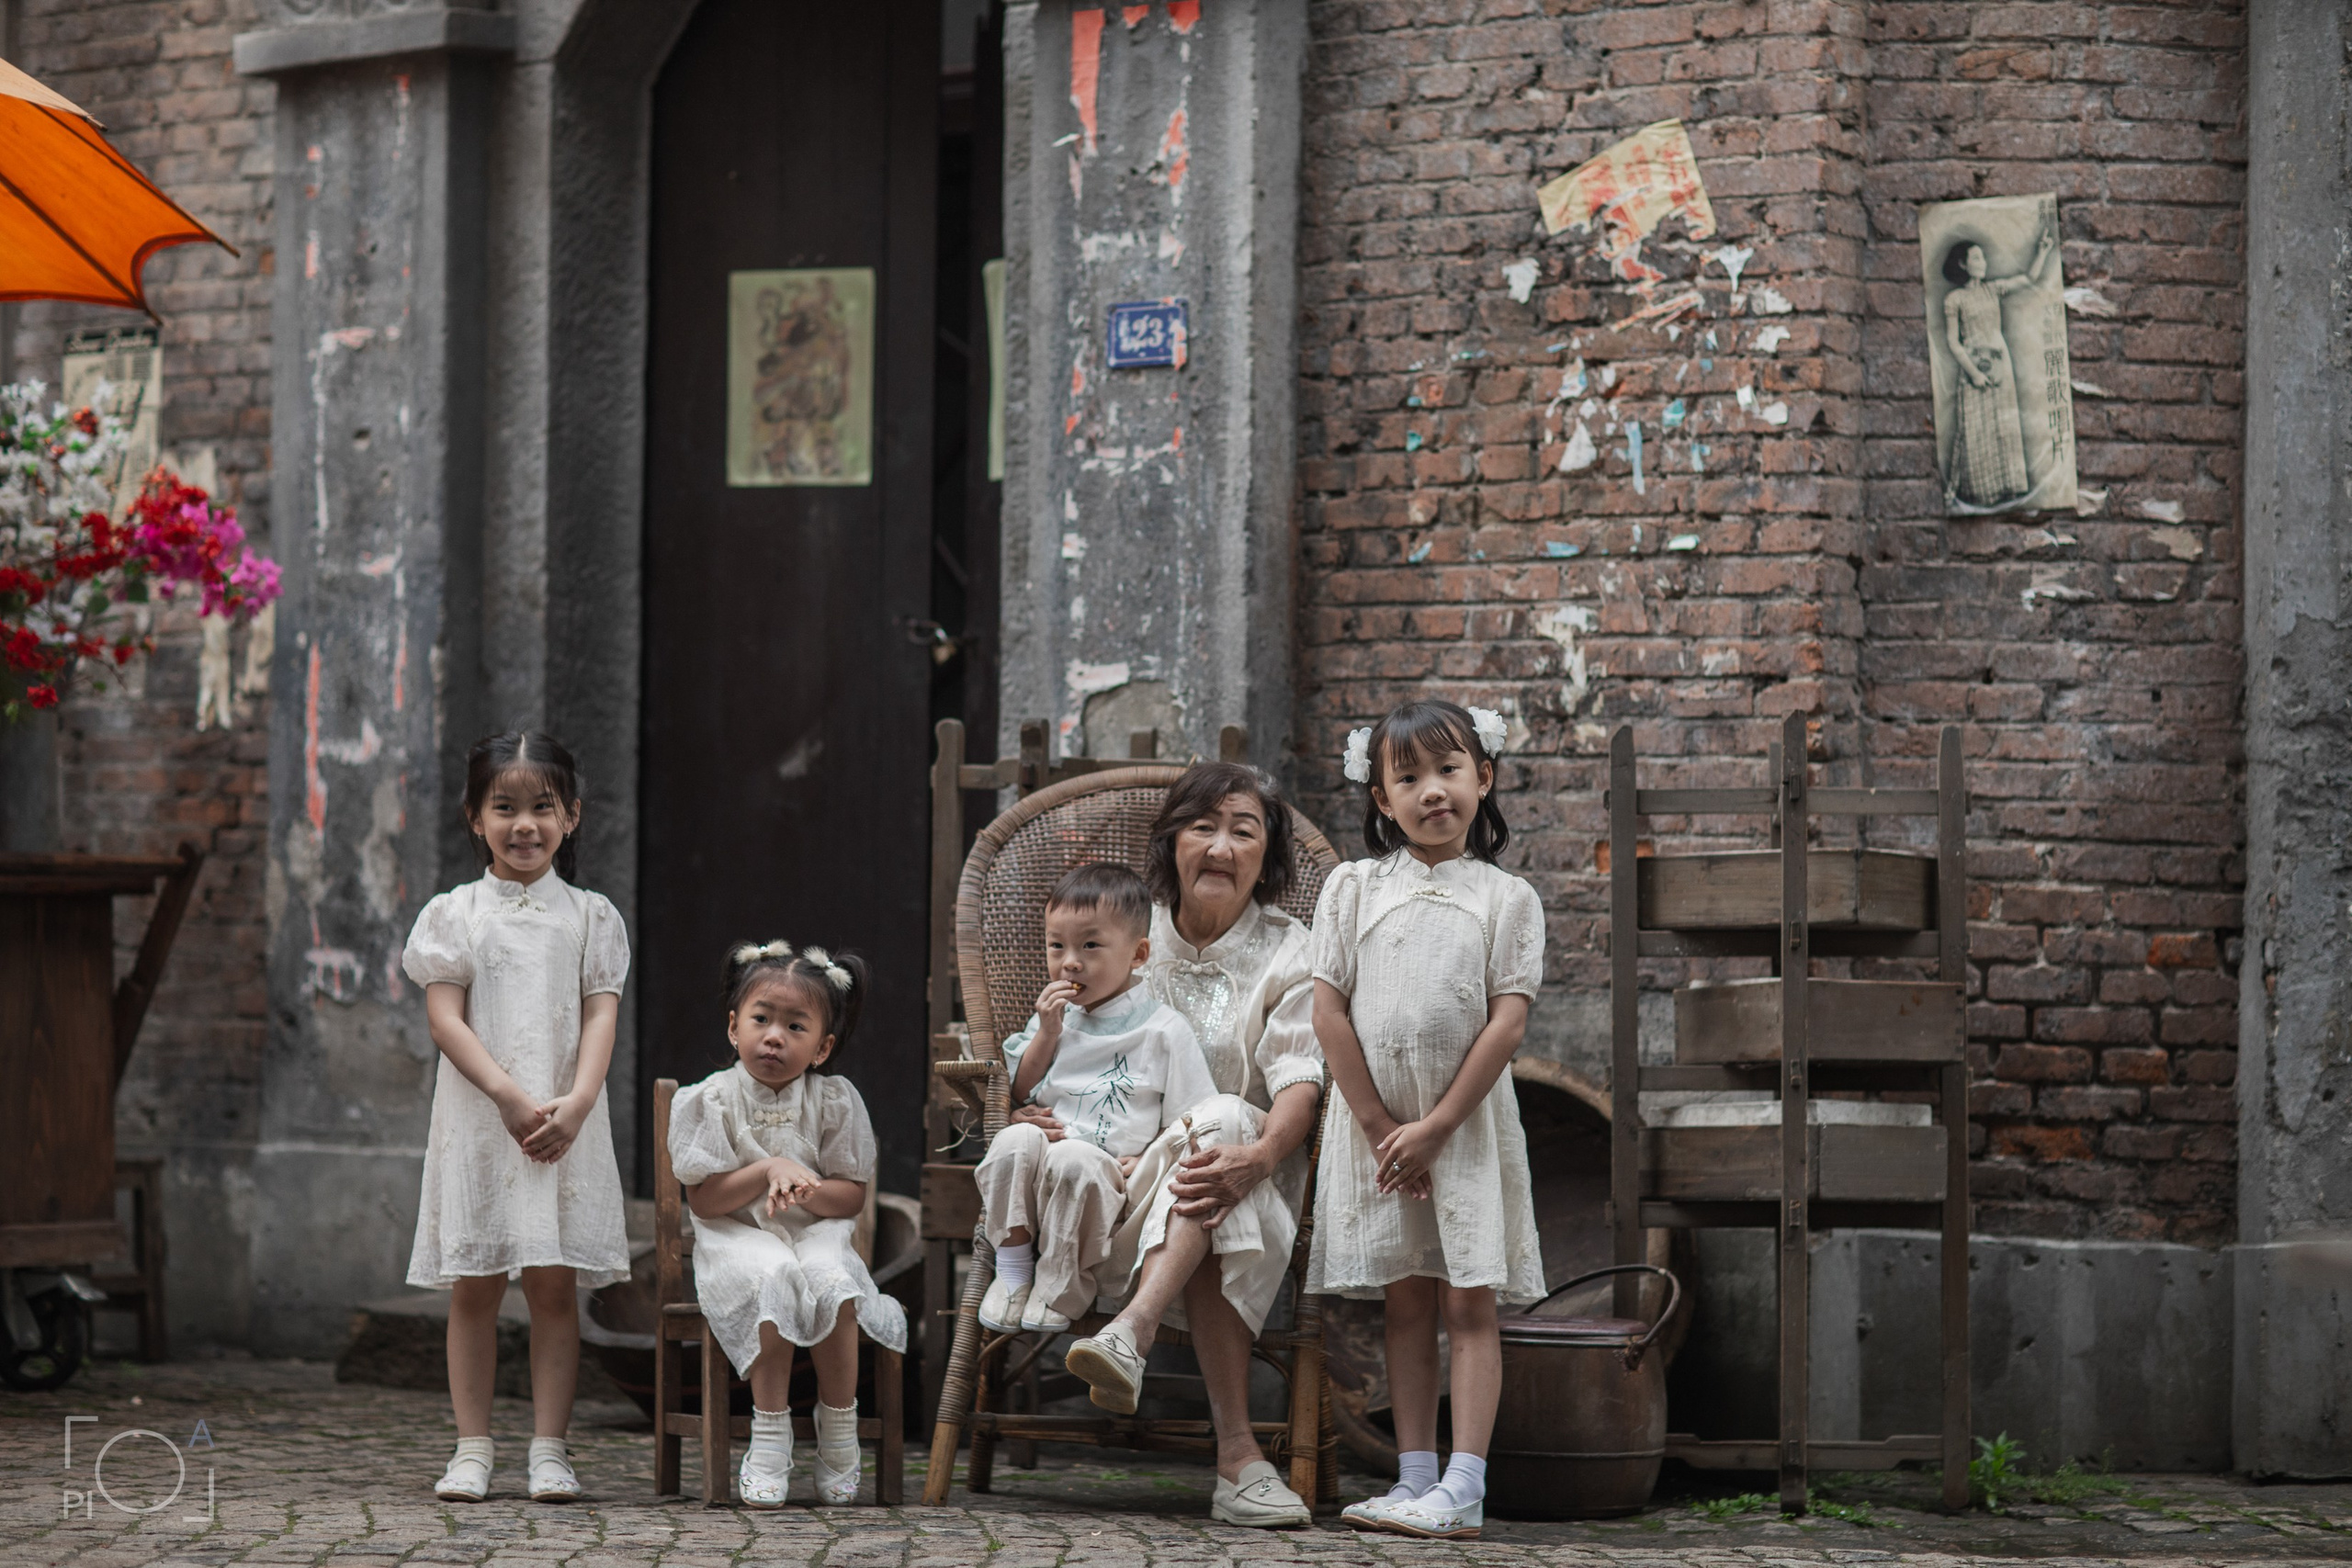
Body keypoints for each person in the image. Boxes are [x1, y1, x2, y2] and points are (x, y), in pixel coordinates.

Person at [1054, 761, 1327, 1529]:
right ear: (1172, 841)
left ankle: (1133, 1331)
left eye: (1243, 830)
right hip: (1117, 1182)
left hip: (1245, 1176)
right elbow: (1063, 1042)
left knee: (1230, 1125)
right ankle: (1237, 1460)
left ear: (1267, 855)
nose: (1220, 847)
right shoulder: (1127, 931)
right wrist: (1036, 1105)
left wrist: (1262, 1157)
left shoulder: (1290, 950)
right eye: (1202, 827)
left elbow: (1301, 1079)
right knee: (1220, 1145)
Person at [1308, 699, 1545, 1541]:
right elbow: (1328, 1011)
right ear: (1382, 798)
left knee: (1468, 1302)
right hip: (1377, 1133)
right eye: (1407, 777)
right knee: (1404, 1301)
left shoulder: (1507, 898)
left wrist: (1437, 1127)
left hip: (1464, 1130)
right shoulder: (1354, 888)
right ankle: (1414, 1478)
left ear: (1484, 777)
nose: (1431, 790)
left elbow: (1506, 1023)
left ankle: (1464, 1486)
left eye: (1448, 770)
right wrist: (1381, 1126)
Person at [401, 731, 632, 1505]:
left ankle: (550, 1449)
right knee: (473, 1287)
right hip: (481, 1121)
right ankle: (471, 1447)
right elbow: (445, 1019)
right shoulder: (455, 913)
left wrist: (581, 1100)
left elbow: (601, 1014)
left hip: (566, 1123)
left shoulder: (592, 917)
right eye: (504, 807)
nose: (524, 824)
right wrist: (504, 1094)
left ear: (572, 815)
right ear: (475, 817)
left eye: (542, 806)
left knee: (553, 1290)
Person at [666, 941, 906, 1506]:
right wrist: (767, 1168)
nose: (774, 1036)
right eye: (762, 1020)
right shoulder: (711, 1100)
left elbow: (851, 1196)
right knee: (774, 1274)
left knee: (832, 1281)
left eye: (795, 1027)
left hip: (813, 1231)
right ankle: (770, 1430)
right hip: (737, 1237)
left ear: (822, 1047)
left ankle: (839, 1424)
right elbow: (704, 1200)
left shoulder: (834, 1100)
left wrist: (807, 1187)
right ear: (734, 1027)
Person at [977, 863, 1215, 1334]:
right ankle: (1014, 1271)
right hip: (1039, 1165)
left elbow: (1191, 1118)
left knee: (1075, 1160)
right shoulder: (1054, 1020)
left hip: (1104, 1178)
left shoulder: (1164, 1030)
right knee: (1012, 1141)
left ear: (1138, 953)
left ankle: (1060, 1285)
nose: (1070, 962)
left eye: (1090, 945)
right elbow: (1018, 1090)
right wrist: (1047, 1033)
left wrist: (1150, 1158)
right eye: (1056, 946)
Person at [1941, 225, 2056, 509]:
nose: (1983, 262)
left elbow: (2029, 278)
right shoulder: (1954, 300)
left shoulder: (1993, 289)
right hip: (1974, 367)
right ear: (1963, 264)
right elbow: (1953, 342)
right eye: (1976, 258)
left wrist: (2042, 252)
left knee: (2004, 425)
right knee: (1977, 429)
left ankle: (2008, 488)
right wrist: (1974, 374)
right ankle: (1983, 494)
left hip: (2001, 366)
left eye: (1983, 257)